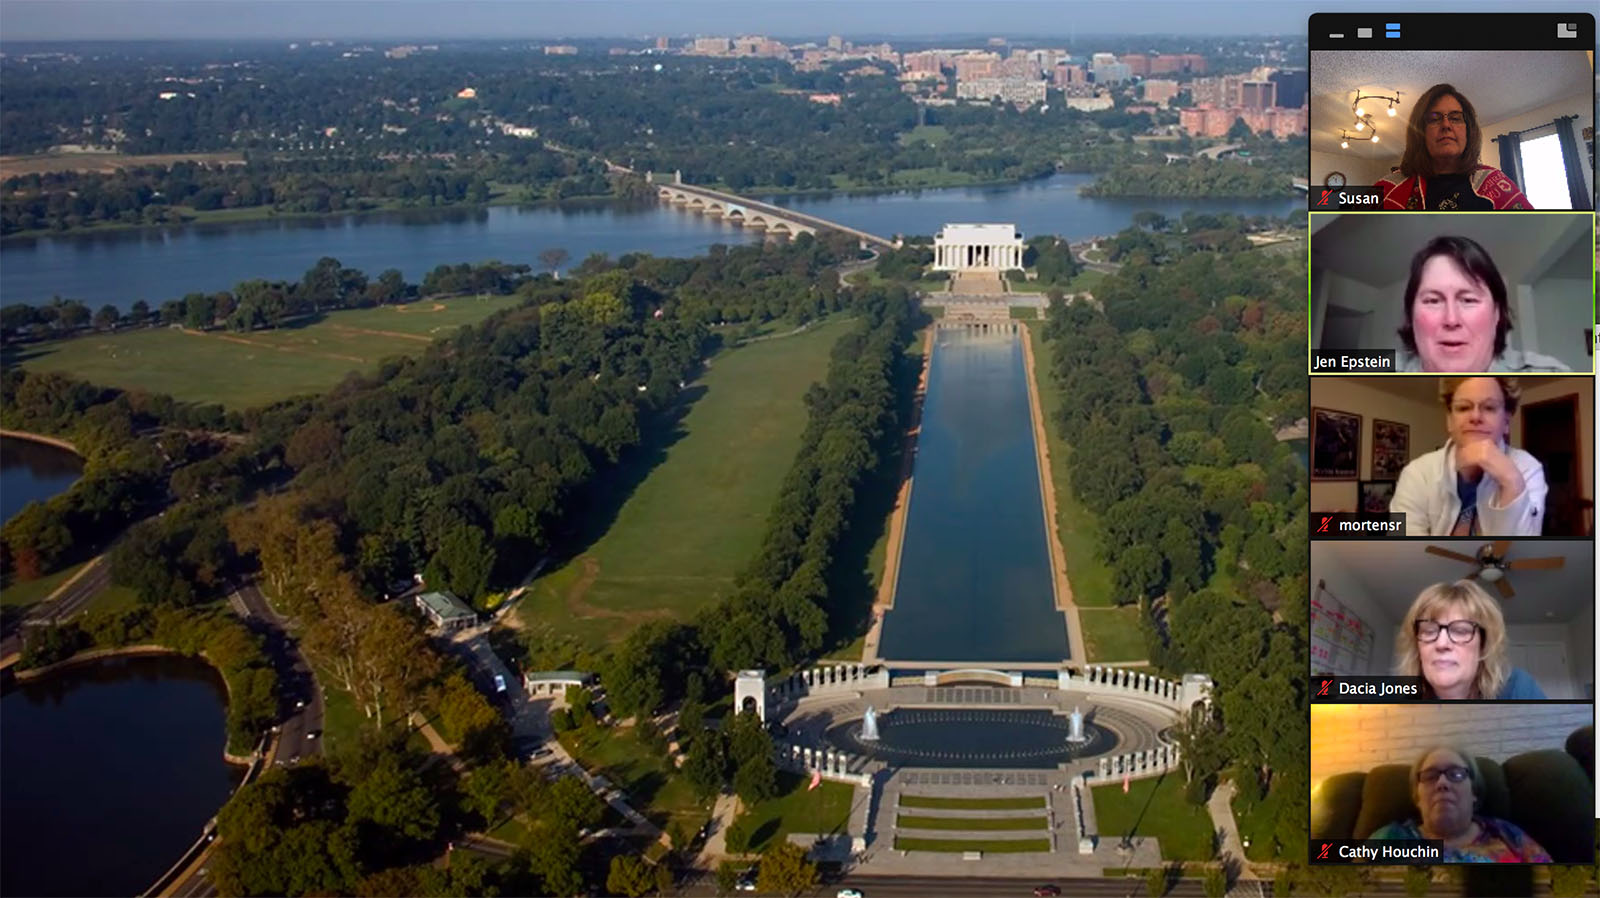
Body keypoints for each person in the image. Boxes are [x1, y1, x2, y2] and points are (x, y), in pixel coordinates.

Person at [1390, 377, 1547, 536]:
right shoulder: (1415, 473)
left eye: (1489, 408)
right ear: (1450, 420)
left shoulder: (1528, 468)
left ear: (1506, 422)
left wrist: (1511, 482)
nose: (1476, 416)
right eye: (1464, 408)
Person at [1395, 236, 1569, 372]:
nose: (1451, 319)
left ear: (1497, 313)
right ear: (1411, 314)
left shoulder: (1552, 372)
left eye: (1468, 300)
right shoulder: (1380, 363)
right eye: (1433, 301)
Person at [1369, 747, 1552, 862]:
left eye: (1456, 774)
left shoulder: (1508, 835)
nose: (1442, 783)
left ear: (1474, 792)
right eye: (1430, 776)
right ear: (1417, 797)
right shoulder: (1389, 840)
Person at [1375, 84, 1533, 210]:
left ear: (1468, 130)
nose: (1446, 125)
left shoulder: (1495, 182)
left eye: (1455, 118)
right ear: (1419, 132)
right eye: (1434, 119)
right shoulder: (1387, 189)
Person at [1393, 579, 1545, 699]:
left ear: (1483, 645)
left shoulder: (1517, 688)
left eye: (1460, 631)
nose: (1441, 643)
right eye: (1429, 631)